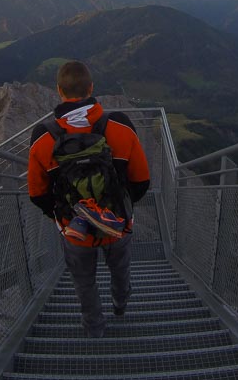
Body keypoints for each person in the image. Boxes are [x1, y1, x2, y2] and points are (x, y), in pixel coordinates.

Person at [27, 61, 150, 338]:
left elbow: (37, 194)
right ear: (91, 88)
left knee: (84, 281)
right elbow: (142, 181)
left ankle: (94, 328)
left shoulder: (43, 138)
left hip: (75, 231)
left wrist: (64, 216)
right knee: (120, 269)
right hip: (117, 224)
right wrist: (119, 207)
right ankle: (120, 304)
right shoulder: (120, 125)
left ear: (59, 91)